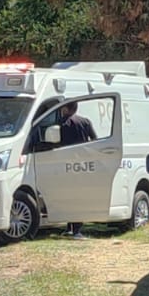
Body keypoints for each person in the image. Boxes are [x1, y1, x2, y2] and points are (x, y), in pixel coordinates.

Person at [55, 101, 97, 239]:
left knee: (67, 196)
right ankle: (77, 229)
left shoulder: (61, 123)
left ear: (67, 108)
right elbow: (95, 140)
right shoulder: (85, 122)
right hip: (82, 165)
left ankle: (70, 227)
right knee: (79, 197)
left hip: (65, 164)